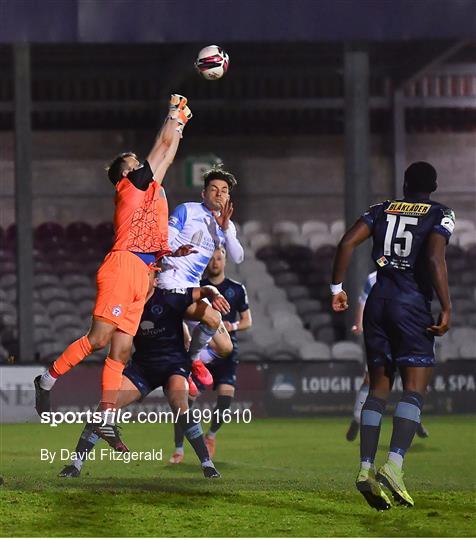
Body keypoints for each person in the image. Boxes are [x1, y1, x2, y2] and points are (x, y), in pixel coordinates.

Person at [34, 94, 194, 448]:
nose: (140, 164)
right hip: (123, 264)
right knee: (99, 339)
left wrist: (180, 124)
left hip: (143, 272)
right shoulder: (131, 186)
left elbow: (168, 151)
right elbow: (162, 144)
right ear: (124, 173)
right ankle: (47, 379)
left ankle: (106, 417)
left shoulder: (151, 188)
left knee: (120, 353)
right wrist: (173, 113)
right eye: (134, 162)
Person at [331, 161, 455, 510]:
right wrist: (446, 306)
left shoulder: (380, 209)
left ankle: (365, 468)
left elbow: (345, 243)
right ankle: (394, 466)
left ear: (404, 183)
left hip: (377, 303)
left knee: (378, 390)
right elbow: (433, 259)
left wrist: (336, 288)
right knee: (414, 388)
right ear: (433, 185)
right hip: (410, 305)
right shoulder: (441, 213)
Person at [58, 282, 230, 479]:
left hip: (173, 366)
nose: (138, 276)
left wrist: (215, 294)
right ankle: (75, 465)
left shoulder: (169, 297)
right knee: (106, 407)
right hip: (143, 368)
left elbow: (205, 291)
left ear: (154, 277)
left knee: (180, 403)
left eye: (144, 272)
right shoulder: (127, 305)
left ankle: (207, 464)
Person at [157, 166, 245, 386]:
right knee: (213, 318)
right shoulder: (187, 210)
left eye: (224, 190)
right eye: (213, 189)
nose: (219, 194)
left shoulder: (226, 225)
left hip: (193, 288)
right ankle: (191, 361)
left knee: (225, 347)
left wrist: (225, 230)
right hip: (171, 283)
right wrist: (177, 251)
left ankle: (189, 359)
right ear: (203, 194)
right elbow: (164, 242)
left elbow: (238, 257)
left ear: (228, 196)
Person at [170, 247, 252, 463]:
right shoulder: (197, 287)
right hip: (202, 349)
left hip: (225, 351)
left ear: (225, 260)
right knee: (186, 400)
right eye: (212, 258)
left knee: (226, 398)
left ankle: (211, 436)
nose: (215, 262)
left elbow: (247, 321)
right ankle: (179, 449)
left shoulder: (236, 288)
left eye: (219, 258)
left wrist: (230, 326)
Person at [346, 271, 430, 443]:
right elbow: (363, 301)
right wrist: (359, 323)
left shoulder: (413, 275)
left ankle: (415, 420)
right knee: (371, 380)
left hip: (407, 335)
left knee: (414, 381)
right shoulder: (373, 278)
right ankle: (357, 418)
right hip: (382, 336)